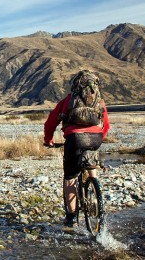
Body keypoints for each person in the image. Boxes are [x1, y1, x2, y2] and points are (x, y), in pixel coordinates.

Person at [43, 70, 111, 228]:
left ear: (75, 85)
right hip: (95, 139)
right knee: (91, 166)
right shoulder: (99, 102)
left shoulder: (67, 101)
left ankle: (71, 218)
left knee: (70, 178)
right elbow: (106, 124)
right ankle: (95, 195)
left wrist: (49, 140)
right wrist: (100, 137)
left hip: (74, 139)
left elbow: (50, 123)